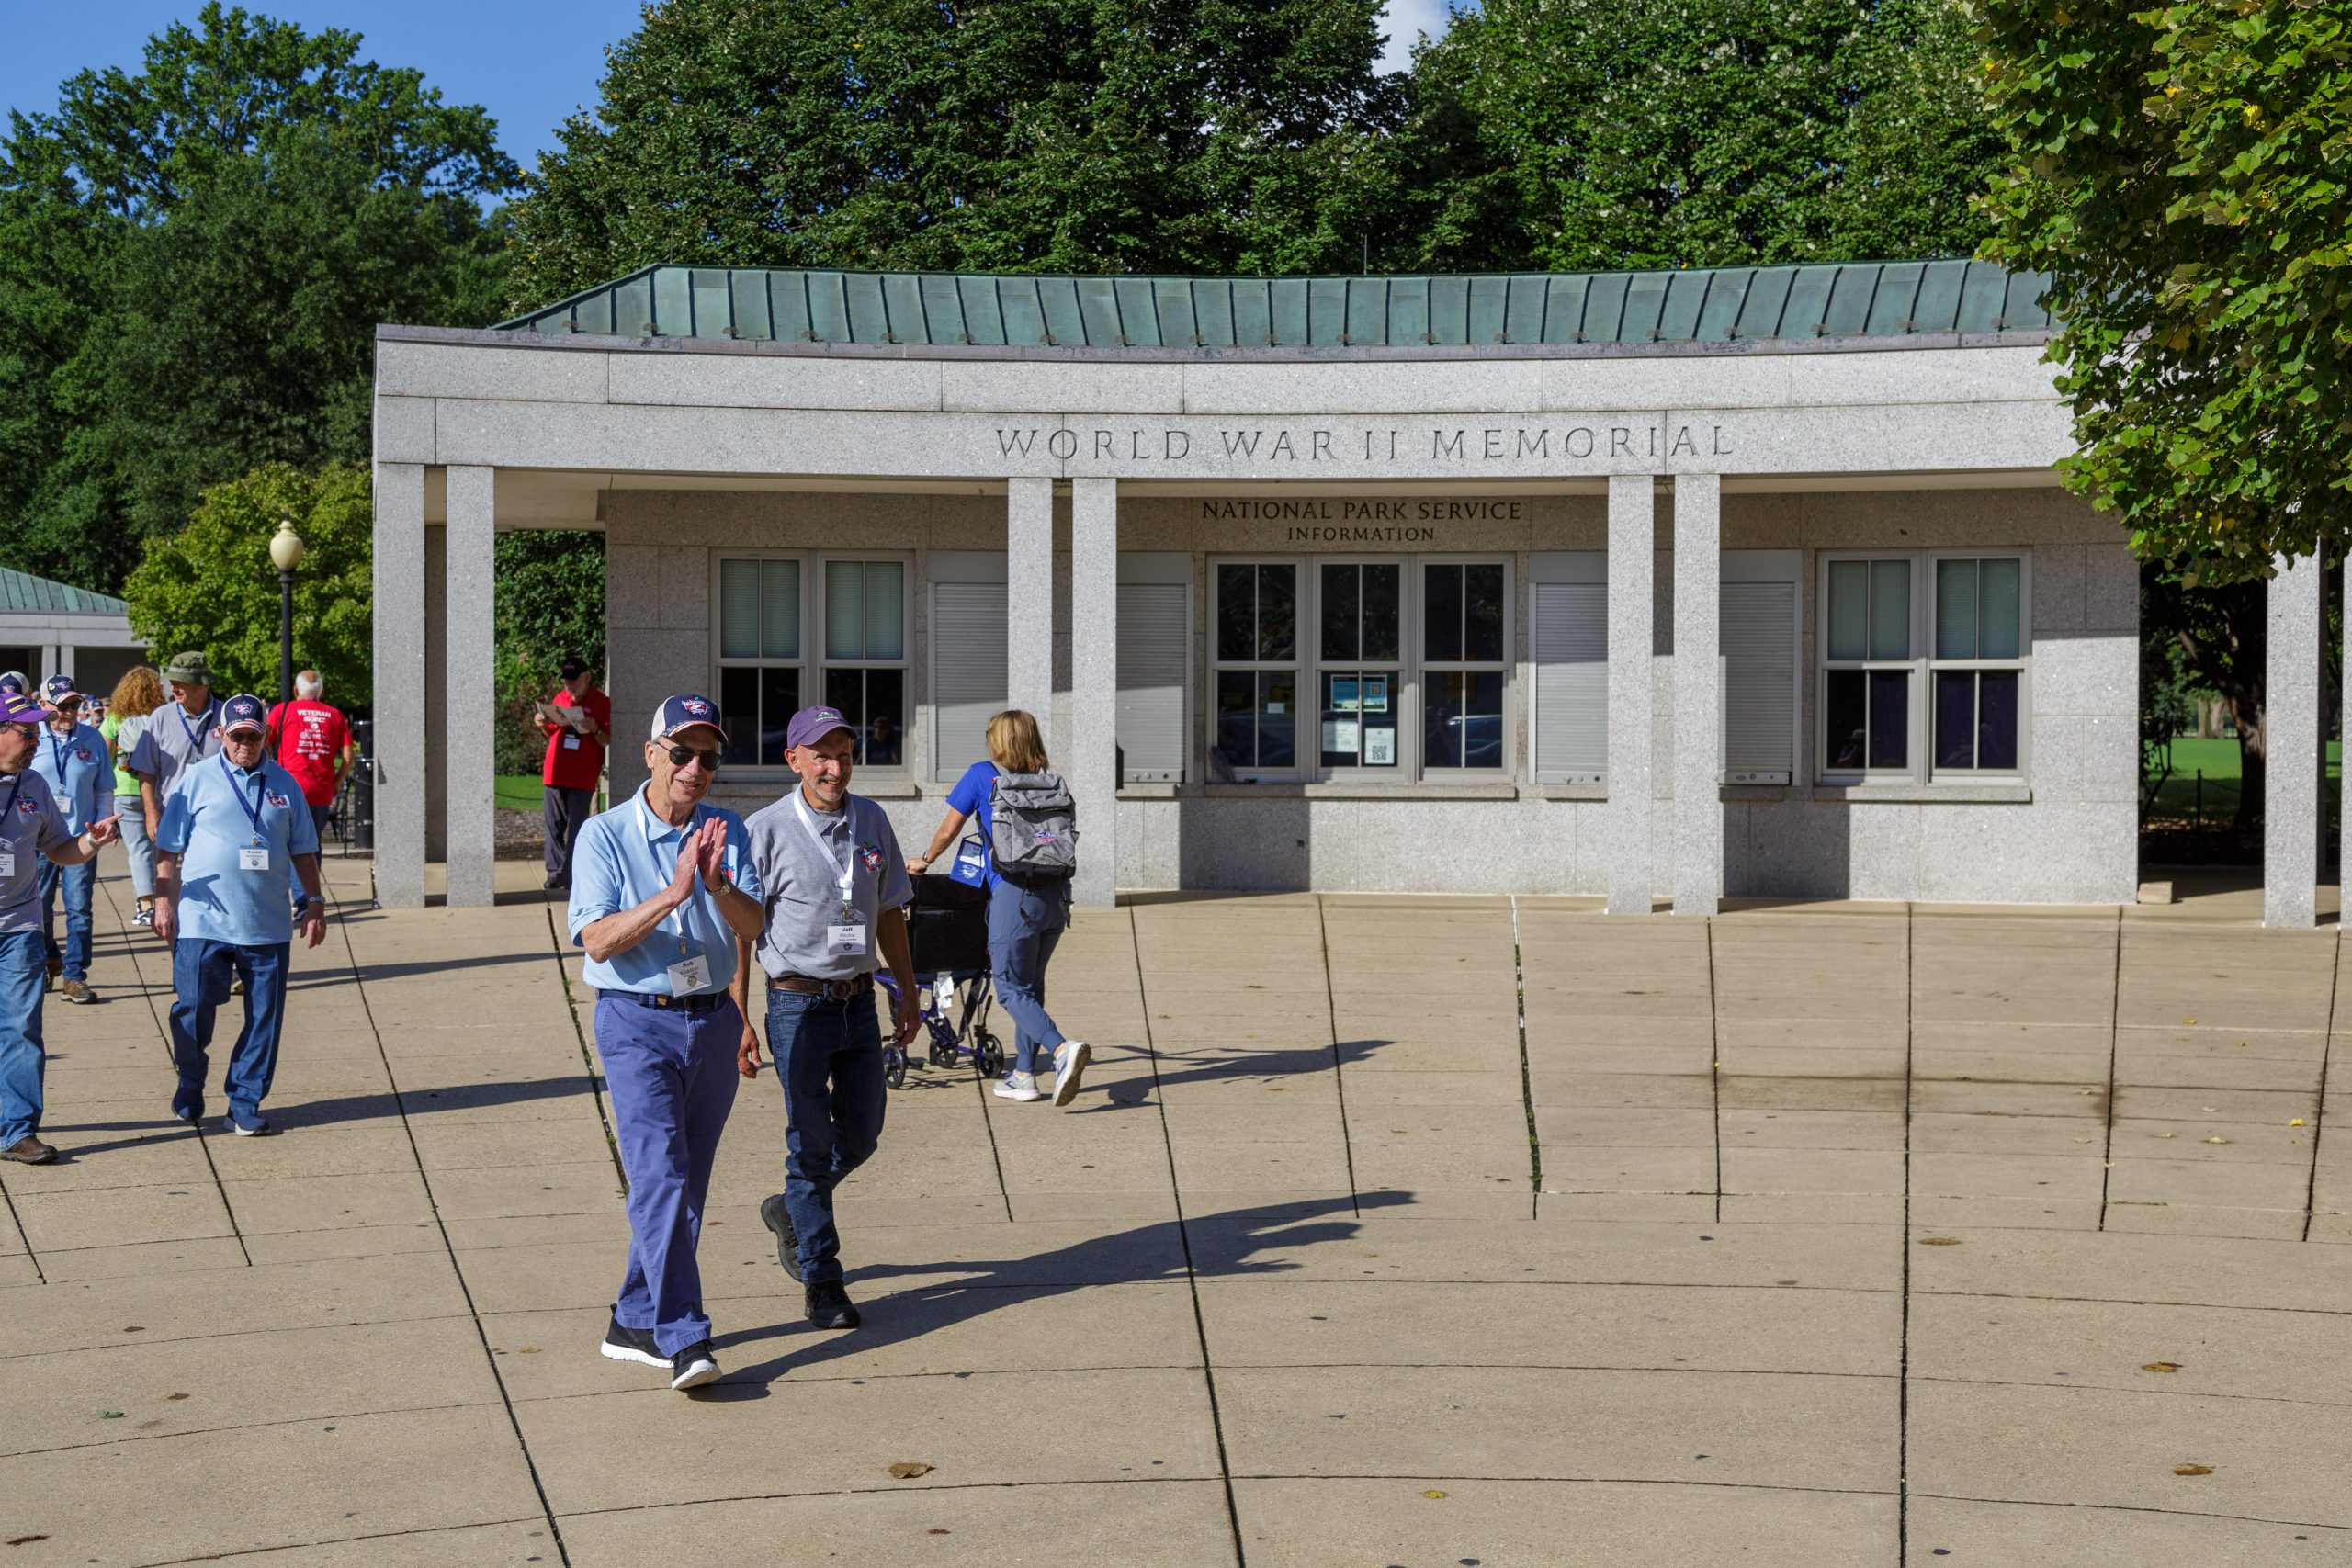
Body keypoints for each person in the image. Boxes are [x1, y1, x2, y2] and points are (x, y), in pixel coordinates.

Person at [568, 694, 765, 1393]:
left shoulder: (725, 827)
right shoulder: (604, 834)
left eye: (708, 757)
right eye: (681, 752)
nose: (694, 768)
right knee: (660, 1175)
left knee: (686, 1187)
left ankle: (633, 1316)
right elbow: (595, 938)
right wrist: (673, 893)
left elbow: (752, 925)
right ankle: (684, 1335)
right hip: (635, 1019)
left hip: (710, 1019)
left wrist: (713, 886)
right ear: (650, 753)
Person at [741, 704, 920, 1330]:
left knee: (863, 1133)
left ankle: (793, 1206)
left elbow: (891, 909)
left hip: (858, 1000)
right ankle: (823, 1280)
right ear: (794, 760)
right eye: (820, 754)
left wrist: (907, 989)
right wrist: (740, 1014)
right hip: (794, 1004)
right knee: (810, 1145)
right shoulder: (763, 830)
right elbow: (742, 932)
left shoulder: (871, 819)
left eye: (843, 753)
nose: (834, 766)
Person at [152, 694, 327, 1136]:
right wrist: (161, 899)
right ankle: (191, 1081)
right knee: (191, 1012)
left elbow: (303, 849)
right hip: (202, 921)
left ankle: (244, 1100)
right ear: (221, 735)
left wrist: (315, 902)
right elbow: (169, 845)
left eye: (254, 736)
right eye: (238, 736)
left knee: (264, 1019)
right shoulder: (197, 779)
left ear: (265, 735)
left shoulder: (284, 784)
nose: (246, 744)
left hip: (265, 924)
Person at [908, 708, 1091, 1106]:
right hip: (1056, 897)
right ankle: (1024, 1075)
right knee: (1031, 987)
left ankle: (1061, 1051)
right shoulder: (1050, 783)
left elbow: (949, 828)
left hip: (1014, 893)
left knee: (1009, 988)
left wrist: (925, 859)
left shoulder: (981, 775)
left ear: (997, 741)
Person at [0, 687, 123, 1164]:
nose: (34, 740)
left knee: (21, 1029)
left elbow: (59, 850)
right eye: (24, 732)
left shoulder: (32, 786)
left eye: (35, 732)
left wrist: (90, 843)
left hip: (19, 929)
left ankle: (17, 1132)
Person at [30, 675, 109, 1005]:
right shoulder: (32, 737)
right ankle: (50, 957)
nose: (69, 711)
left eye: (74, 704)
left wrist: (104, 826)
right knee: (40, 907)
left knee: (79, 909)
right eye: (62, 705)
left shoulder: (92, 738)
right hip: (37, 842)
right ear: (44, 706)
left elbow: (103, 788)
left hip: (80, 839)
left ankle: (74, 976)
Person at [128, 651, 222, 851]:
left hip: (217, 817)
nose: (173, 688)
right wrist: (151, 812)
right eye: (172, 682)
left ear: (201, 684)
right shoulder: (161, 717)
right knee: (167, 876)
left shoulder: (225, 716)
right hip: (170, 816)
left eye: (181, 682)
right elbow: (146, 771)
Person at [537, 657, 612, 893]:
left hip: (582, 776)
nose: (569, 684)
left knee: (577, 828)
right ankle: (555, 873)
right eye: (566, 680)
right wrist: (541, 722)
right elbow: (550, 732)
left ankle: (571, 874)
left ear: (587, 677)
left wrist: (595, 728)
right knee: (554, 826)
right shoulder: (560, 699)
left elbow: (606, 739)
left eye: (574, 679)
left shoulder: (601, 702)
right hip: (555, 773)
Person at [100, 665, 165, 928]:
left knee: (138, 850)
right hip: (158, 789)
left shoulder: (114, 718)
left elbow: (103, 757)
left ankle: (146, 903)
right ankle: (165, 898)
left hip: (125, 789)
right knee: (161, 848)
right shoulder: (161, 716)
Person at [266, 670, 356, 850]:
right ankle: (311, 877)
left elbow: (264, 742)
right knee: (312, 844)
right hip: (320, 790)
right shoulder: (335, 715)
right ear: (321, 693)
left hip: (287, 788)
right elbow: (348, 756)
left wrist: (271, 764)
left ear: (296, 691)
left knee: (284, 843)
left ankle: (288, 878)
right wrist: (336, 782)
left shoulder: (281, 711)